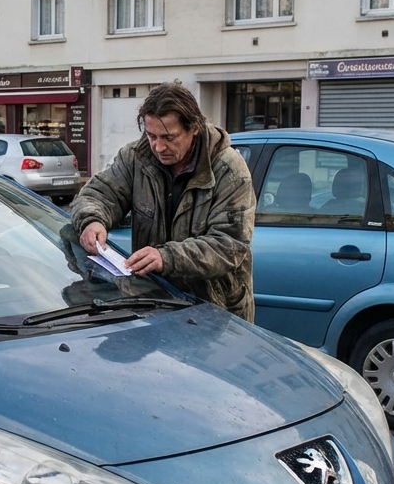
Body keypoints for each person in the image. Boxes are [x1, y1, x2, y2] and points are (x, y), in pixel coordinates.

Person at [69, 82, 256, 321]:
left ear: (194, 128)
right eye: (151, 135)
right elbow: (98, 194)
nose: (158, 146)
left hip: (216, 313)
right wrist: (92, 220)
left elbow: (229, 245)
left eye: (169, 137)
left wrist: (166, 257)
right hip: (153, 304)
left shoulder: (229, 170)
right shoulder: (135, 156)